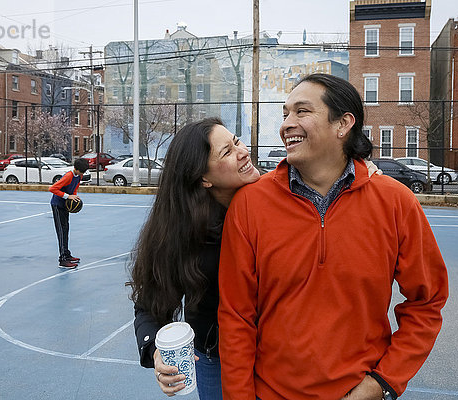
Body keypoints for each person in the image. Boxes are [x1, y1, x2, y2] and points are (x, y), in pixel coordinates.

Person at [217, 73, 449, 400]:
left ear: (343, 124)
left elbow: (427, 302)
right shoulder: (250, 204)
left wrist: (381, 383)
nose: (286, 124)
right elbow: (237, 317)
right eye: (285, 114)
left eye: (302, 111)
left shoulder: (396, 202)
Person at [129, 117, 379, 399]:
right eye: (227, 152)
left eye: (236, 141)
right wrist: (155, 351)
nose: (243, 151)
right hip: (219, 357)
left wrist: (353, 172)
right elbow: (150, 304)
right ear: (203, 178)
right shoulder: (182, 234)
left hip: (280, 355)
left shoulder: (279, 198)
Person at [48, 157, 89, 269]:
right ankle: (62, 259)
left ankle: (67, 254)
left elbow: (75, 188)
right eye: (81, 172)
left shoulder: (78, 176)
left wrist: (74, 197)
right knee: (61, 231)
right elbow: (52, 189)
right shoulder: (68, 176)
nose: (82, 174)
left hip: (65, 205)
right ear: (76, 168)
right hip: (57, 205)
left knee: (66, 229)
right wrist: (67, 196)